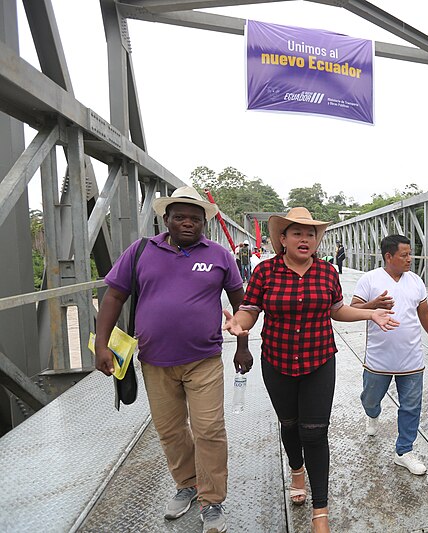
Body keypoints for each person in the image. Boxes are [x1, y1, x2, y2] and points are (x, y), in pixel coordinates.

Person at [222, 207, 398, 533]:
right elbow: (250, 309)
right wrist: (239, 324)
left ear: (317, 241)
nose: (305, 239)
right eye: (297, 233)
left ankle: (321, 511)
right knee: (289, 425)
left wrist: (369, 314)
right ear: (283, 239)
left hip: (319, 361)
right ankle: (296, 469)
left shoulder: (328, 272)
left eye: (311, 234)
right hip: (278, 362)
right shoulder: (265, 272)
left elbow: (338, 310)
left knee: (315, 433)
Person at [94, 186, 253, 533]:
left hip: (205, 359)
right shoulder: (140, 251)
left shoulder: (219, 255)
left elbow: (242, 302)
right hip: (154, 361)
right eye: (179, 216)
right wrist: (101, 345)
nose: (187, 222)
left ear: (204, 223)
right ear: (165, 219)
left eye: (195, 218)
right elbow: (114, 296)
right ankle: (187, 484)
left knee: (209, 430)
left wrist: (243, 344)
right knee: (170, 430)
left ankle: (212, 500)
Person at [350, 234, 428, 475]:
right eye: (404, 255)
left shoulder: (415, 281)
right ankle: (373, 414)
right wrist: (373, 305)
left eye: (410, 254)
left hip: (411, 358)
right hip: (378, 359)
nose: (409, 259)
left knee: (411, 406)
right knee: (370, 399)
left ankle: (404, 451)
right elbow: (352, 309)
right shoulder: (370, 279)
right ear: (388, 256)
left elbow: (425, 314)